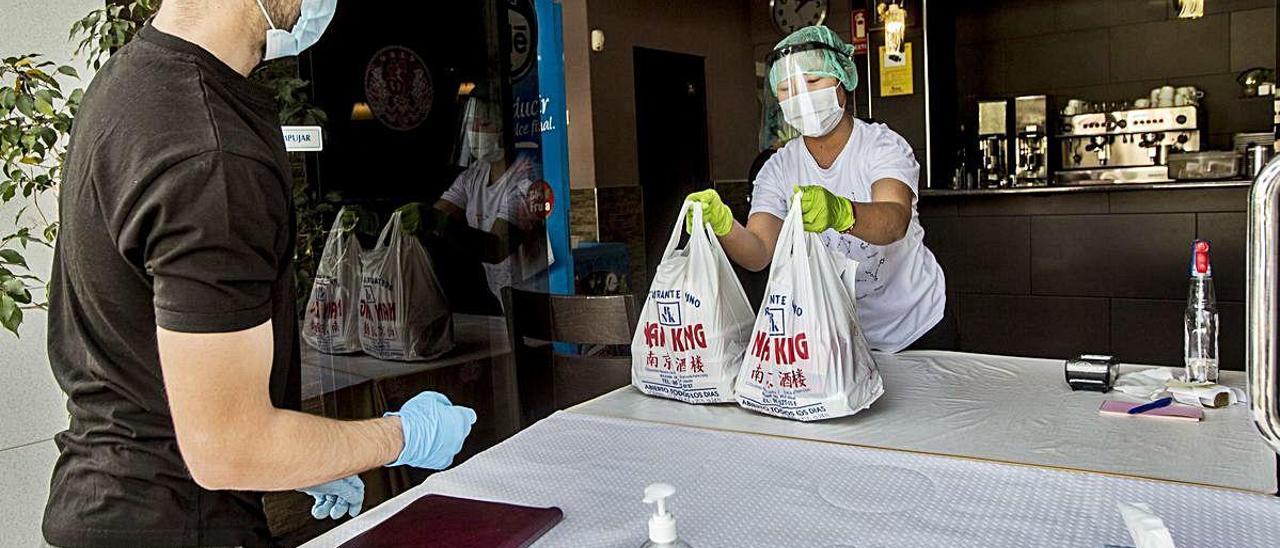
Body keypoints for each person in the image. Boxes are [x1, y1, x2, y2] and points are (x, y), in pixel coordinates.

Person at [43, 1, 476, 546]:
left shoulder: (126, 84)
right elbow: (229, 448)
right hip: (180, 525)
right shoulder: (211, 152)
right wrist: (402, 437)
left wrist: (307, 457)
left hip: (101, 504)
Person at [686, 25, 953, 352]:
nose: (801, 96)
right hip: (835, 338)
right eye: (787, 89)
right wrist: (723, 226)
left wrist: (841, 212)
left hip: (913, 326)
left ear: (842, 81)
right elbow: (758, 252)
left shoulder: (882, 146)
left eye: (812, 82)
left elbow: (895, 220)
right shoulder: (779, 168)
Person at [432, 96, 550, 302]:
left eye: (485, 123)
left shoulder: (528, 178)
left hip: (537, 297)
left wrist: (440, 224)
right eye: (471, 124)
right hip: (504, 297)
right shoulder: (474, 175)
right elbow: (440, 212)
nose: (474, 131)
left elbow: (497, 247)